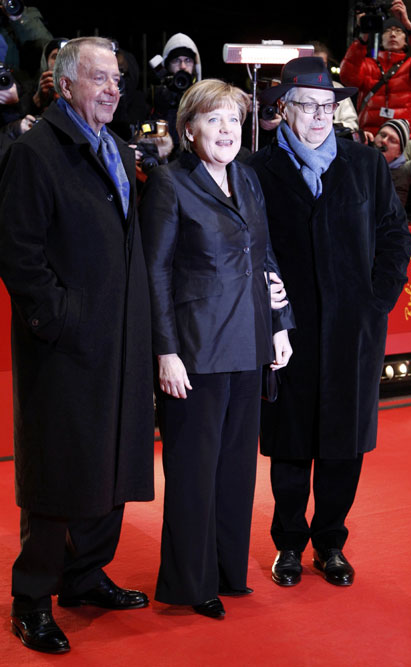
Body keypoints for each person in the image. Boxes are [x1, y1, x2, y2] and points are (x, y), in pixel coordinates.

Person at [0, 36, 154, 654]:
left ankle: (85, 577)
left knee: (110, 461)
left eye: (117, 79)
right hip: (63, 346)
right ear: (65, 85)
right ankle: (32, 599)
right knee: (57, 474)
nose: (114, 89)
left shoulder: (115, 146)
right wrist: (60, 318)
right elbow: (19, 252)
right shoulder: (36, 152)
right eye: (100, 79)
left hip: (118, 340)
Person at [247, 57, 411, 589]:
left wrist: (376, 299)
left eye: (327, 106)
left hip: (352, 333)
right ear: (284, 109)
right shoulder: (257, 170)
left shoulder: (365, 165)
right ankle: (289, 546)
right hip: (288, 334)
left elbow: (395, 237)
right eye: (307, 106)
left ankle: (331, 544)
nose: (320, 117)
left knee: (343, 448)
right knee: (291, 447)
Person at [139, 79, 294, 619]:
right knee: (193, 471)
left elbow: (266, 255)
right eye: (213, 119)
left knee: (235, 470)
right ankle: (191, 581)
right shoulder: (168, 184)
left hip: (250, 341)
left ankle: (229, 571)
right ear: (189, 129)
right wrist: (165, 350)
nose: (226, 130)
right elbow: (154, 272)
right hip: (196, 351)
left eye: (232, 119)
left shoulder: (249, 180)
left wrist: (280, 325)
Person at [340, 0, 411, 138]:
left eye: (398, 31)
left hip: (403, 140)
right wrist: (363, 37)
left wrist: (408, 25)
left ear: (406, 41)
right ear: (380, 38)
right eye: (387, 31)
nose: (392, 34)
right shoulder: (367, 65)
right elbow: (347, 77)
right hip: (371, 137)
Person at [149, 33, 201, 149]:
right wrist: (159, 111)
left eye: (188, 60)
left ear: (194, 65)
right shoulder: (156, 93)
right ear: (167, 65)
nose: (182, 66)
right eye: (176, 61)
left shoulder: (202, 94)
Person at [374, 117, 411, 205]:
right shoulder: (361, 158)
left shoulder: (400, 179)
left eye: (392, 140)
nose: (384, 141)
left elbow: (394, 213)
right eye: (382, 135)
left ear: (399, 153)